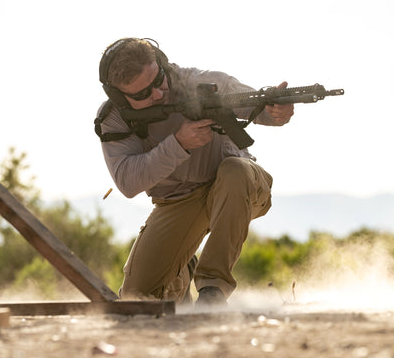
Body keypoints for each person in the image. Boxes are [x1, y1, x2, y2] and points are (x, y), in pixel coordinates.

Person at [95, 37, 294, 307]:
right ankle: (181, 270)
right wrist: (179, 144)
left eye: (158, 80)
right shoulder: (114, 118)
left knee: (235, 171)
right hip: (178, 201)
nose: (157, 93)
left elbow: (260, 109)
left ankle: (213, 288)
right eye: (142, 94)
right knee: (136, 300)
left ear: (162, 64)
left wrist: (277, 110)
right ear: (120, 96)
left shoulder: (203, 83)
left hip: (240, 188)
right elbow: (128, 183)